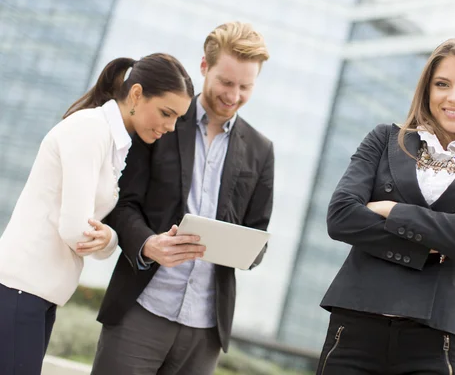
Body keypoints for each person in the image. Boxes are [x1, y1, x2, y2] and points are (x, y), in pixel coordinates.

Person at [316, 38, 455, 375]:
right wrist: (444, 235)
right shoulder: (384, 139)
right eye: (442, 84)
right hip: (355, 331)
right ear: (427, 89)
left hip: (437, 343)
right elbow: (341, 217)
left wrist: (390, 210)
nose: (454, 97)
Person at [91, 21, 274, 375]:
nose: (233, 96)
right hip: (141, 307)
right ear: (204, 68)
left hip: (205, 329)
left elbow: (258, 238)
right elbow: (123, 201)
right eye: (225, 82)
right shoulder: (160, 119)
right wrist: (147, 244)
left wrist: (242, 248)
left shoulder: (261, 150)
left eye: (245, 87)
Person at [0, 53, 194, 375]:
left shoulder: (112, 140)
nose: (171, 127)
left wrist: (105, 238)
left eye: (177, 118)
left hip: (38, 293)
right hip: (20, 289)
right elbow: (77, 232)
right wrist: (111, 239)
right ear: (136, 94)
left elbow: (89, 232)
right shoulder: (91, 131)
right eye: (166, 113)